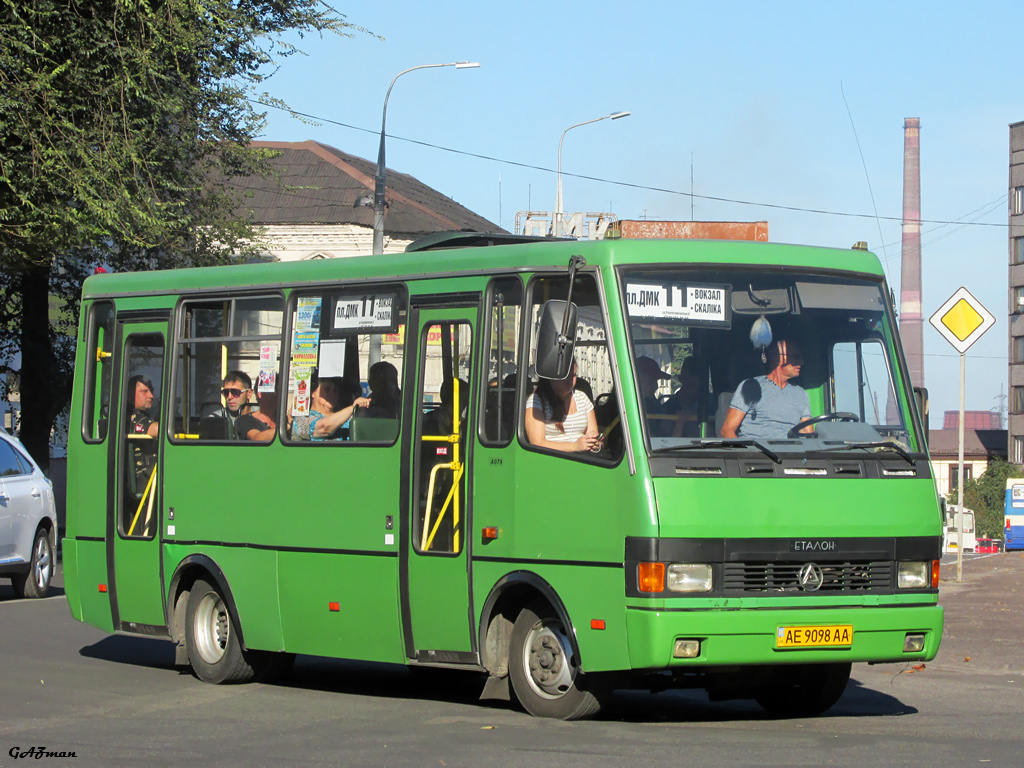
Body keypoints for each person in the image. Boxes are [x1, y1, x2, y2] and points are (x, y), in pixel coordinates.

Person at [719, 339, 811, 439]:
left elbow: (808, 434)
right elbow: (727, 431)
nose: (801, 362)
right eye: (796, 357)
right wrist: (744, 454)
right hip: (756, 452)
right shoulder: (751, 386)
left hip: (790, 452)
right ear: (778, 359)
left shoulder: (801, 394)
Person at [525, 361, 602, 453]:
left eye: (573, 376)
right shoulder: (537, 400)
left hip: (583, 459)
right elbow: (537, 443)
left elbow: (592, 432)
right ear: (551, 377)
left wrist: (595, 443)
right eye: (565, 376)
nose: (570, 381)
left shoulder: (582, 398)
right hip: (552, 459)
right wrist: (574, 446)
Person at [291, 375, 370, 441]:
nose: (332, 394)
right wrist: (352, 408)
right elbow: (324, 428)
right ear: (313, 392)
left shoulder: (346, 417)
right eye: (327, 389)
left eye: (335, 390)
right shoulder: (301, 419)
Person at [127, 374, 159, 489]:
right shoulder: (132, 418)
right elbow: (155, 430)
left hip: (153, 476)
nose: (151, 396)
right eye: (144, 391)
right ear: (130, 395)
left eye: (151, 391)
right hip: (143, 479)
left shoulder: (146, 416)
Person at [206, 371, 254, 440]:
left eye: (235, 392)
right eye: (226, 393)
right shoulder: (215, 419)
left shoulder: (262, 416)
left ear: (249, 393)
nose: (229, 397)